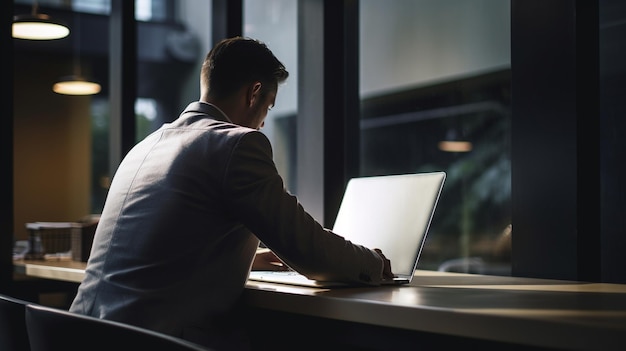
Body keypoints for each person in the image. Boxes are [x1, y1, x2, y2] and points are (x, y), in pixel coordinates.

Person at [69, 36, 393, 350]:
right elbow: (309, 250)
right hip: (150, 341)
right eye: (268, 106)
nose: (264, 123)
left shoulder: (145, 146)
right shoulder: (236, 143)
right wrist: (373, 263)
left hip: (74, 334)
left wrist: (245, 258)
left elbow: (159, 242)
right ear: (254, 93)